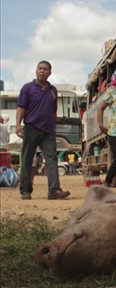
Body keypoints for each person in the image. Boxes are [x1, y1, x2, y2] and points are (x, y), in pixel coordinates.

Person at [16, 61, 71, 200]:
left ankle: (54, 190)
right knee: (27, 159)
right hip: (31, 128)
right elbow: (21, 108)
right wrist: (17, 125)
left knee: (52, 159)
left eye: (45, 69)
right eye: (40, 68)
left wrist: (53, 128)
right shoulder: (27, 88)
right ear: (36, 71)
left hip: (48, 131)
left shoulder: (53, 90)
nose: (42, 71)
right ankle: (25, 190)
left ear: (49, 73)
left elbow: (53, 111)